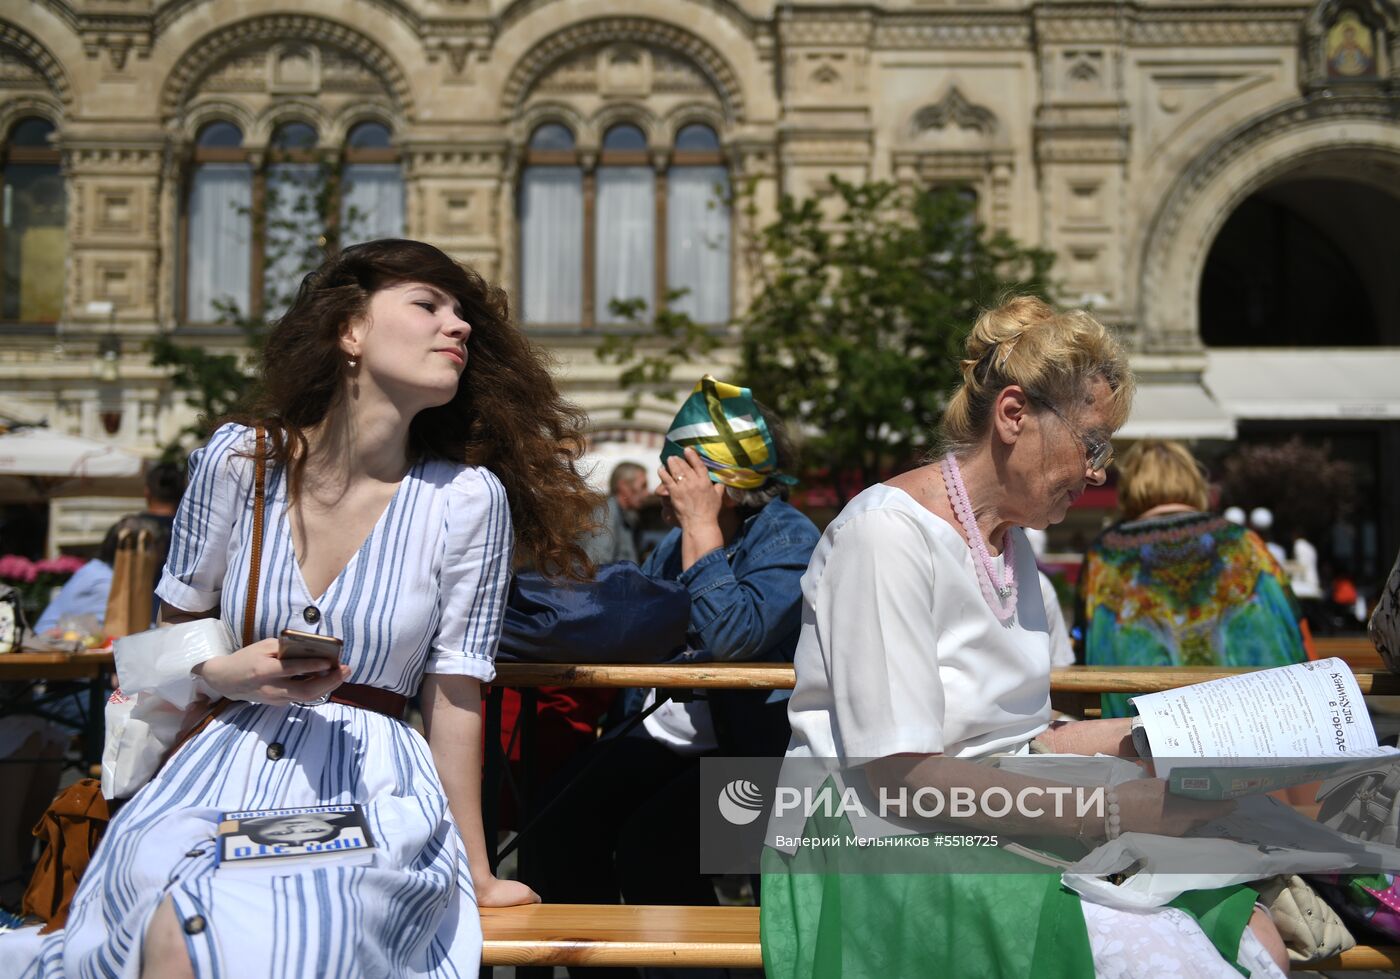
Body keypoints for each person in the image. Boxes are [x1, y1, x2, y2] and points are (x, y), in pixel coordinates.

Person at [9, 239, 596, 977]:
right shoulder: (238, 462)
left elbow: (454, 696)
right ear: (349, 331)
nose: (460, 326)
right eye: (427, 304)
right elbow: (162, 647)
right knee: (166, 920)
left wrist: (475, 871)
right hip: (216, 765)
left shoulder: (466, 500)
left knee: (268, 932)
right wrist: (228, 670)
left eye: (462, 314)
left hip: (365, 781)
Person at [764, 298, 1289, 979]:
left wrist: (1167, 739)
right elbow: (900, 775)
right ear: (1014, 416)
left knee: (1250, 933)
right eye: (1091, 442)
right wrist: (1101, 810)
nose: (1100, 471)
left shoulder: (1014, 553)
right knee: (1172, 960)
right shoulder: (886, 534)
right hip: (875, 838)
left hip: (986, 812)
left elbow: (1024, 735)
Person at [530, 377, 819, 975]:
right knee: (555, 818)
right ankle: (591, 964)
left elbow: (731, 639)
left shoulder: (789, 538)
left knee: (653, 843)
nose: (664, 485)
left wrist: (702, 529)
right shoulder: (668, 544)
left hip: (762, 763)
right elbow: (633, 623)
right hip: (675, 740)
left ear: (720, 484)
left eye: (678, 472)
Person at [1075, 440, 1309, 717]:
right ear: (1194, 481)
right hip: (1252, 716)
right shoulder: (1244, 542)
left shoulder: (1106, 554)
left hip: (1149, 728)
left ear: (1129, 489)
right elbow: (1293, 624)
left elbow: (1084, 636)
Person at [580, 461, 647, 565]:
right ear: (623, 486)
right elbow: (598, 566)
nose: (647, 493)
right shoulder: (605, 516)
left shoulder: (628, 516)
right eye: (643, 486)